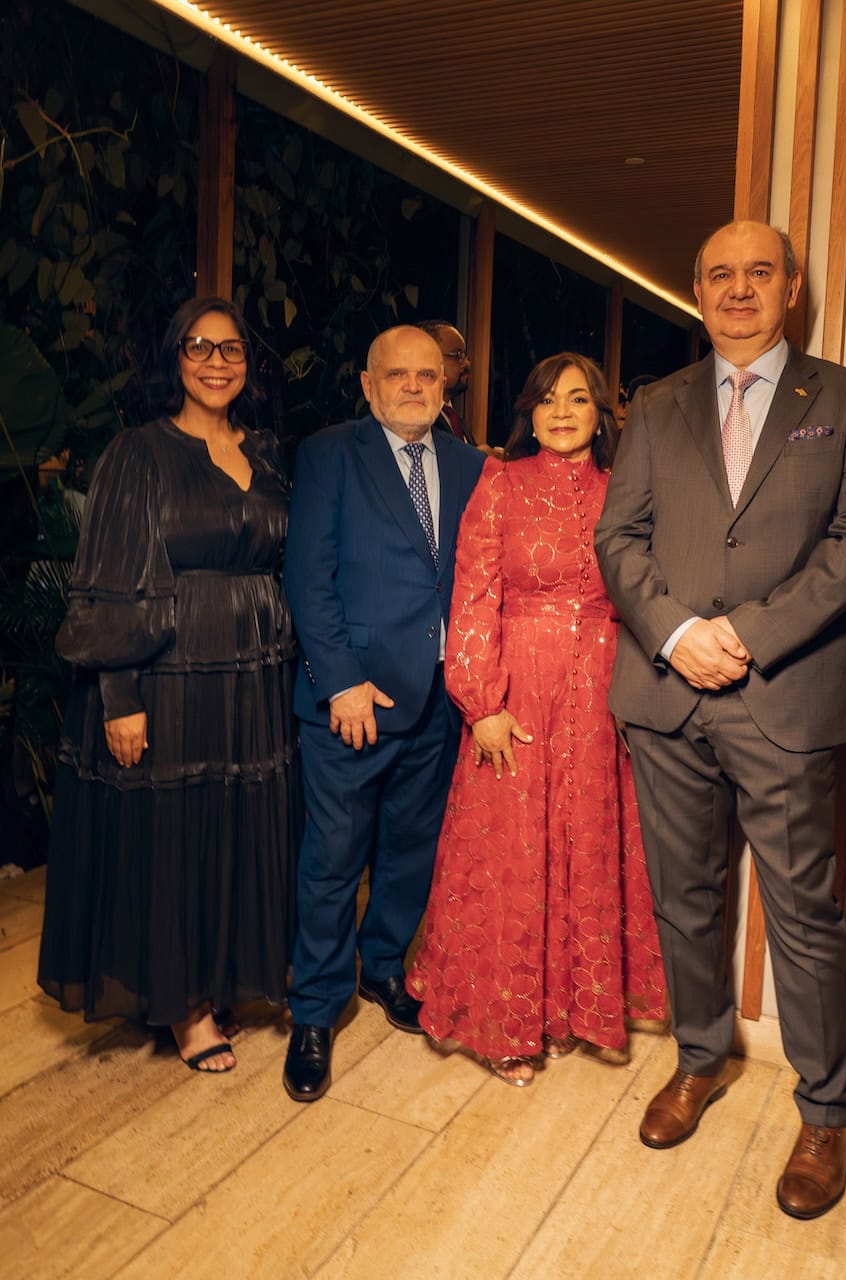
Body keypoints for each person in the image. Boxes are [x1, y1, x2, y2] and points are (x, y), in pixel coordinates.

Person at [595, 220, 846, 1218]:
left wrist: (745, 635)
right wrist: (678, 630)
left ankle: (823, 1110)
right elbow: (618, 535)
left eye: (757, 272)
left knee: (805, 916)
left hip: (785, 700)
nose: (737, 289)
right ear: (696, 289)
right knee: (687, 897)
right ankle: (697, 1057)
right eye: (719, 274)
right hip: (665, 691)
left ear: (791, 287)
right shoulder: (657, 404)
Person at [38, 296, 301, 1073]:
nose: (217, 362)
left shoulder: (269, 451)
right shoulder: (138, 453)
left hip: (254, 677)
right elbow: (111, 583)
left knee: (239, 823)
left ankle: (226, 976)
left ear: (248, 365)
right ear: (174, 359)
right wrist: (121, 699)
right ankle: (185, 1006)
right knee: (177, 836)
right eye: (200, 347)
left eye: (232, 350)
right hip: (172, 672)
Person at [408, 354, 665, 1085]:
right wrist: (480, 702)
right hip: (517, 687)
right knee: (513, 852)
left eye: (578, 399)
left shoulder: (625, 492)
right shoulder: (501, 483)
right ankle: (506, 1023)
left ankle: (574, 1013)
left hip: (601, 696)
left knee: (585, 844)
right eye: (549, 399)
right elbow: (472, 594)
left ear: (599, 415)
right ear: (530, 410)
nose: (562, 411)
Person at [282, 325, 485, 1102]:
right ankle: (315, 1008)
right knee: (333, 858)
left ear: (445, 384)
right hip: (354, 699)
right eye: (395, 375)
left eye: (426, 375)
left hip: (439, 699)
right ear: (367, 386)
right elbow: (310, 575)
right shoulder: (332, 454)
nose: (412, 386)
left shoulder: (471, 467)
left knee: (410, 851)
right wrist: (339, 682)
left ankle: (387, 970)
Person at [420, 319, 472, 442]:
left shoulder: (454, 418)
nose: (466, 364)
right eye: (457, 355)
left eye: (464, 355)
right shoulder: (419, 422)